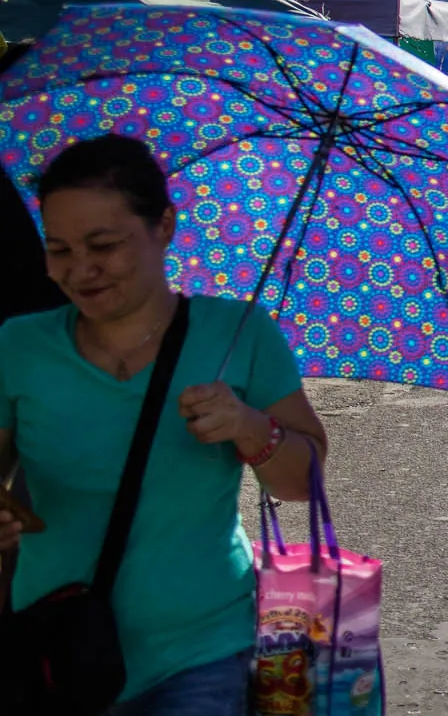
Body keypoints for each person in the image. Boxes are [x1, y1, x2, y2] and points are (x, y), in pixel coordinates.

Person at [0, 135, 329, 711]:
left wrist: (251, 426)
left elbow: (303, 483)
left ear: (164, 227)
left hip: (201, 652)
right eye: (58, 249)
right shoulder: (18, 346)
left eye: (103, 244)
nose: (81, 270)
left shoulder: (238, 333)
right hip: (51, 651)